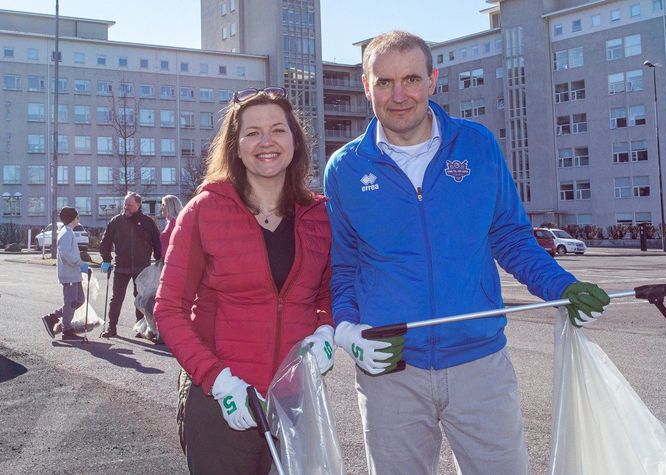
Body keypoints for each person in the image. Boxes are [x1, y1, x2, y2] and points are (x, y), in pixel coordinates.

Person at [323, 31, 610, 475]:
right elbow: (343, 267)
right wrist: (347, 329)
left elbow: (512, 238)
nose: (399, 95)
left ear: (433, 80)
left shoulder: (477, 146)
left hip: (480, 364)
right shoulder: (344, 168)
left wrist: (564, 287)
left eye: (412, 79)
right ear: (366, 86)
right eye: (384, 82)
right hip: (391, 370)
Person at [154, 86, 335, 474]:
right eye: (252, 133)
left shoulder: (319, 215)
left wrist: (326, 331)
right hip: (223, 400)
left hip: (295, 398)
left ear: (295, 141)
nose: (265, 142)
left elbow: (328, 292)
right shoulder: (204, 211)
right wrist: (217, 379)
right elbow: (168, 310)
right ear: (235, 147)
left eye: (277, 130)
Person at [99, 191, 162, 338]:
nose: (126, 207)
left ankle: (141, 328)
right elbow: (105, 242)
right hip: (121, 266)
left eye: (130, 205)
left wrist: (159, 261)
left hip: (142, 267)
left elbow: (157, 243)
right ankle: (111, 327)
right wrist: (106, 259)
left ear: (138, 205)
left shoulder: (147, 222)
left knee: (141, 298)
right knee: (117, 298)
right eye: (125, 204)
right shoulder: (116, 221)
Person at [40, 207, 90, 341]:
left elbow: (70, 252)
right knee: (72, 302)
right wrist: (80, 263)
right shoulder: (66, 233)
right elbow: (66, 253)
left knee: (79, 300)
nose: (78, 219)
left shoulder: (68, 232)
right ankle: (66, 330)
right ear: (73, 219)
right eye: (77, 217)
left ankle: (53, 317)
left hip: (74, 274)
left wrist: (81, 262)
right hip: (69, 275)